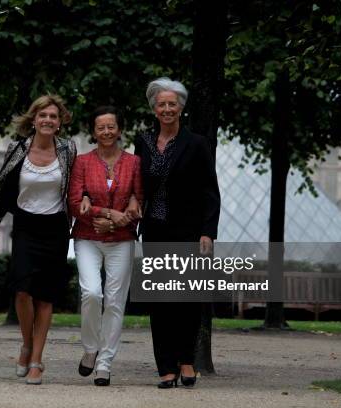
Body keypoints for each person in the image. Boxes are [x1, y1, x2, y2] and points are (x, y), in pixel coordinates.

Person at [0, 95, 77, 385]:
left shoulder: (68, 150)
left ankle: (36, 359)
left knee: (45, 297)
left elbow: (76, 187)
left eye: (53, 116)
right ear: (33, 120)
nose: (48, 120)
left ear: (59, 123)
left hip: (56, 229)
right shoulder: (17, 149)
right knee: (22, 291)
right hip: (24, 227)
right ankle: (25, 344)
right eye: (42, 115)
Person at [134, 77, 220, 388]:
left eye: (173, 104)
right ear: (154, 109)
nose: (167, 109)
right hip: (155, 230)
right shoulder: (142, 141)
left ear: (181, 108)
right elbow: (137, 184)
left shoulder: (196, 143)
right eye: (162, 104)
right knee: (160, 302)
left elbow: (210, 190)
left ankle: (186, 361)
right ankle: (165, 367)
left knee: (187, 299)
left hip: (188, 230)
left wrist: (208, 231)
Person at [68, 106, 143, 386]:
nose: (107, 131)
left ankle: (104, 361)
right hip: (87, 237)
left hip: (121, 240)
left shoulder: (134, 163)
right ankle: (90, 348)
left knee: (114, 302)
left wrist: (114, 222)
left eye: (111, 126)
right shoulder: (82, 162)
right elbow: (75, 204)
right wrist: (109, 214)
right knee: (91, 293)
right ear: (93, 131)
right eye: (101, 127)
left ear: (120, 130)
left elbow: (138, 200)